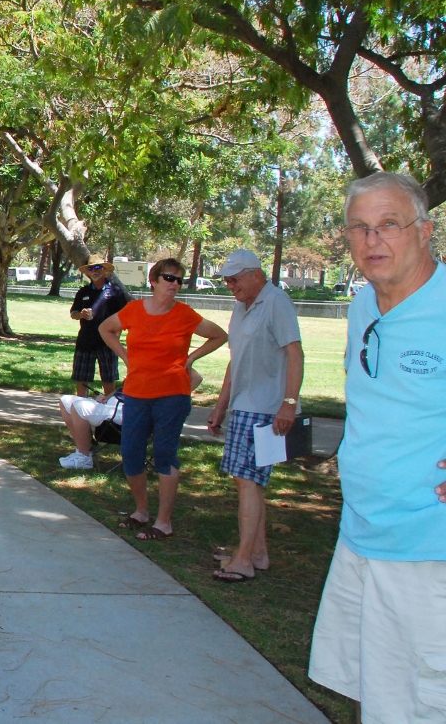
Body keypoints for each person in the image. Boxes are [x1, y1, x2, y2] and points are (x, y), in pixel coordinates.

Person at [308, 172, 446, 721]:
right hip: (362, 532)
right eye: (360, 228)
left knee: (423, 700)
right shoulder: (365, 305)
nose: (373, 241)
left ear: (425, 231)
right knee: (376, 693)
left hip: (427, 543)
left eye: (389, 224)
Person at [99, 258, 227, 540]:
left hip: (172, 394)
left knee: (164, 456)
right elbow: (106, 329)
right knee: (131, 454)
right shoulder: (133, 310)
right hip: (136, 392)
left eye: (180, 280)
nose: (175, 284)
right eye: (170, 278)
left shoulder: (185, 314)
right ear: (153, 280)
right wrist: (124, 356)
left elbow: (219, 335)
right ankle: (141, 511)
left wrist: (191, 358)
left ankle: (164, 522)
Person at [205, 249, 304, 583]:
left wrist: (288, 403)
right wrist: (221, 406)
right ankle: (256, 553)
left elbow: (295, 354)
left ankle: (244, 559)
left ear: (256, 275)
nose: (230, 286)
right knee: (246, 480)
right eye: (227, 281)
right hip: (243, 406)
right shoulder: (241, 306)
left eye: (235, 279)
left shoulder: (277, 303)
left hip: (267, 410)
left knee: (249, 481)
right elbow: (237, 360)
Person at [69, 255, 129, 397]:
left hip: (107, 343)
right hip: (85, 341)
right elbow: (73, 313)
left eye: (97, 267)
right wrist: (80, 314)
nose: (94, 271)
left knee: (108, 379)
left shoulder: (115, 291)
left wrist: (116, 335)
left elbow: (124, 315)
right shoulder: (83, 292)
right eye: (91, 268)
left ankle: (109, 410)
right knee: (82, 379)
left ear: (104, 270)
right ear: (88, 272)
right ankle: (81, 409)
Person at [57, 391, 125, 470]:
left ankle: (84, 457)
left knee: (79, 406)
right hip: (112, 405)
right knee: (65, 400)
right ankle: (80, 452)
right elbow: (123, 388)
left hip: (126, 411)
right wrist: (107, 397)